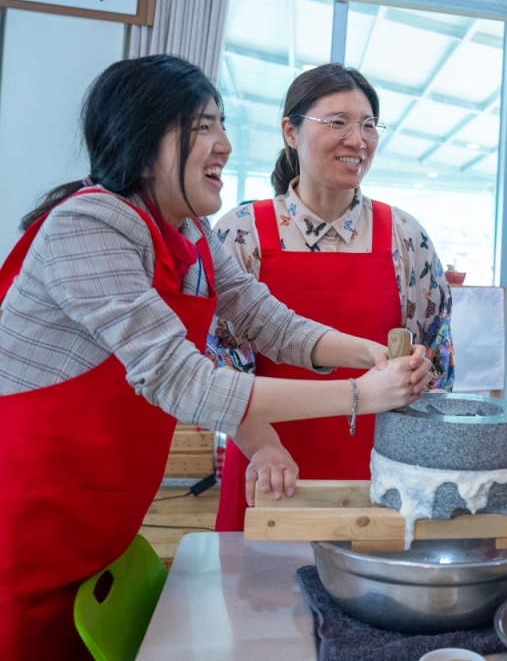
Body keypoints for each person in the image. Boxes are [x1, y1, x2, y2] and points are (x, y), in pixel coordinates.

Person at [0, 55, 431, 660]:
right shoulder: (89, 224)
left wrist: (368, 353)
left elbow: (270, 322)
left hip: (105, 499)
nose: (224, 143)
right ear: (141, 139)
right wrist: (361, 393)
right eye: (202, 126)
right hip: (31, 504)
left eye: (221, 124)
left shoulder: (191, 233)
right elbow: (184, 380)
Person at [212, 64, 455, 530]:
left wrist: (422, 381)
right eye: (338, 122)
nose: (358, 140)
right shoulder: (242, 232)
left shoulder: (405, 236)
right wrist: (264, 445)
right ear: (290, 131)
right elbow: (221, 364)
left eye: (369, 125)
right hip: (271, 470)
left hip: (382, 475)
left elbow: (438, 360)